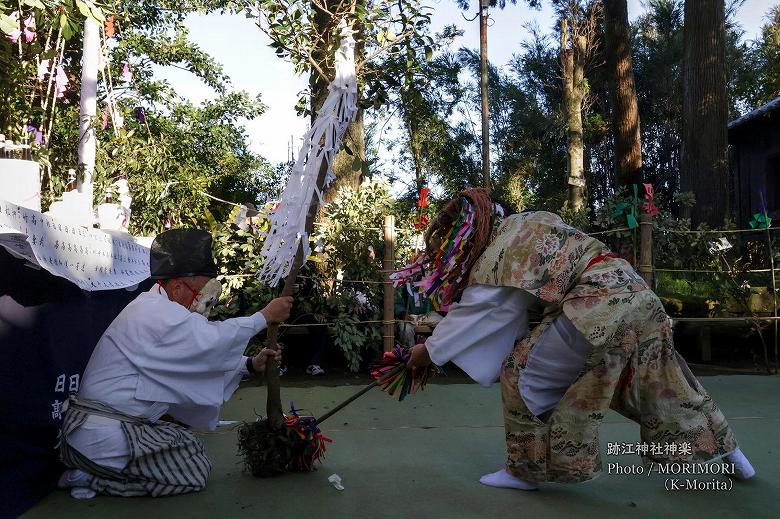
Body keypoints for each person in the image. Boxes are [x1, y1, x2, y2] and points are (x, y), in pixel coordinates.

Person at [399, 188, 755, 491]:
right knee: (667, 384)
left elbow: (487, 311)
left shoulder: (500, 253)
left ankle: (524, 471)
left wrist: (429, 351)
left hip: (596, 305)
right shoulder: (532, 220)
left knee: (520, 373)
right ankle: (732, 452)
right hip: (639, 296)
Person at [57, 228, 293, 498]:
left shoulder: (160, 309)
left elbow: (194, 360)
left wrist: (250, 364)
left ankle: (95, 469)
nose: (204, 304)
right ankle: (91, 476)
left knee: (187, 444)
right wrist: (263, 316)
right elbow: (207, 342)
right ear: (178, 286)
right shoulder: (153, 312)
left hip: (107, 429)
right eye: (202, 294)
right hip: (102, 433)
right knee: (193, 469)